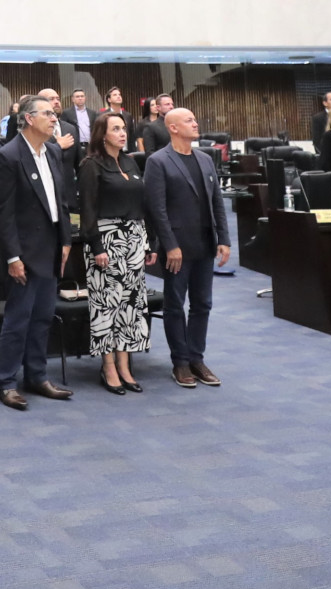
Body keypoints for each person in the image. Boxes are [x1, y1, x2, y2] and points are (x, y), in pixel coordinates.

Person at [0, 94, 72, 411]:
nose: (54, 118)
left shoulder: (52, 151)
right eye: (48, 113)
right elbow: (2, 213)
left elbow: (60, 200)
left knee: (43, 317)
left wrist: (65, 240)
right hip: (23, 252)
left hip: (51, 247)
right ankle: (7, 382)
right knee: (18, 319)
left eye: (54, 113)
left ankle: (37, 375)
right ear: (28, 118)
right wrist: (12, 257)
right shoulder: (8, 156)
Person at [142, 107, 230, 388]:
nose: (196, 122)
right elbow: (156, 209)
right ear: (173, 128)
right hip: (177, 247)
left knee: (203, 303)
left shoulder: (205, 159)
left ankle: (196, 358)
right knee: (175, 305)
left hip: (205, 243)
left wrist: (224, 239)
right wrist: (169, 245)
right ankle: (180, 362)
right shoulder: (158, 161)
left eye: (195, 118)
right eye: (189, 120)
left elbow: (217, 202)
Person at [79, 112, 149, 395]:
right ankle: (108, 367)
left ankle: (125, 365)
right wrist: (96, 246)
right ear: (102, 134)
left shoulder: (131, 161)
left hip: (133, 238)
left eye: (124, 128)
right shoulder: (90, 165)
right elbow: (87, 210)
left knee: (130, 306)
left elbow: (141, 203)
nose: (123, 133)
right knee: (106, 306)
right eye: (116, 129)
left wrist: (147, 243)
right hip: (106, 241)